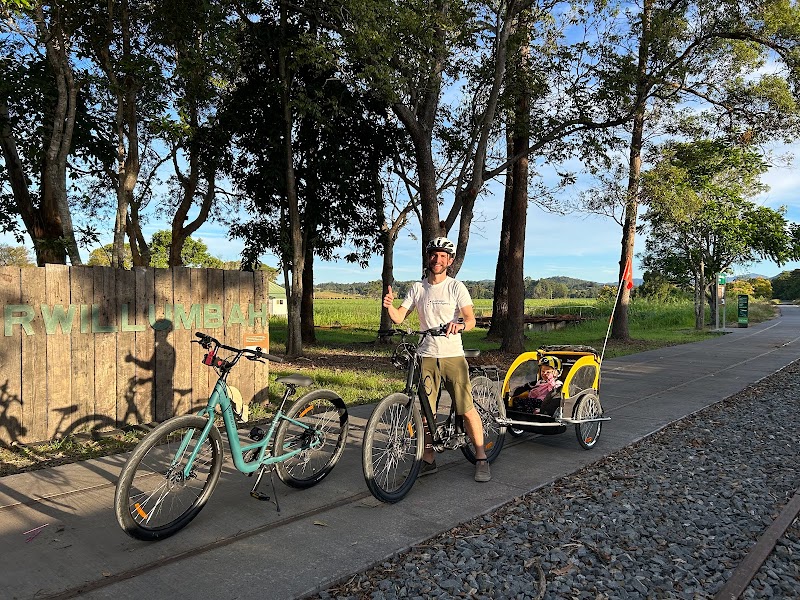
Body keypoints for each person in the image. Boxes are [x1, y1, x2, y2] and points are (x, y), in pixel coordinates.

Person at [382, 236, 491, 482]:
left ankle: (481, 457)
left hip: (452, 355)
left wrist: (459, 324)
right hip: (426, 356)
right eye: (434, 255)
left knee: (466, 408)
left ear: (449, 261)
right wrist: (389, 306)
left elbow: (470, 319)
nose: (438, 259)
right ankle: (429, 460)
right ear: (428, 258)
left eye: (443, 256)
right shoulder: (418, 288)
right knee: (425, 414)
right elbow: (400, 317)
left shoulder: (456, 287)